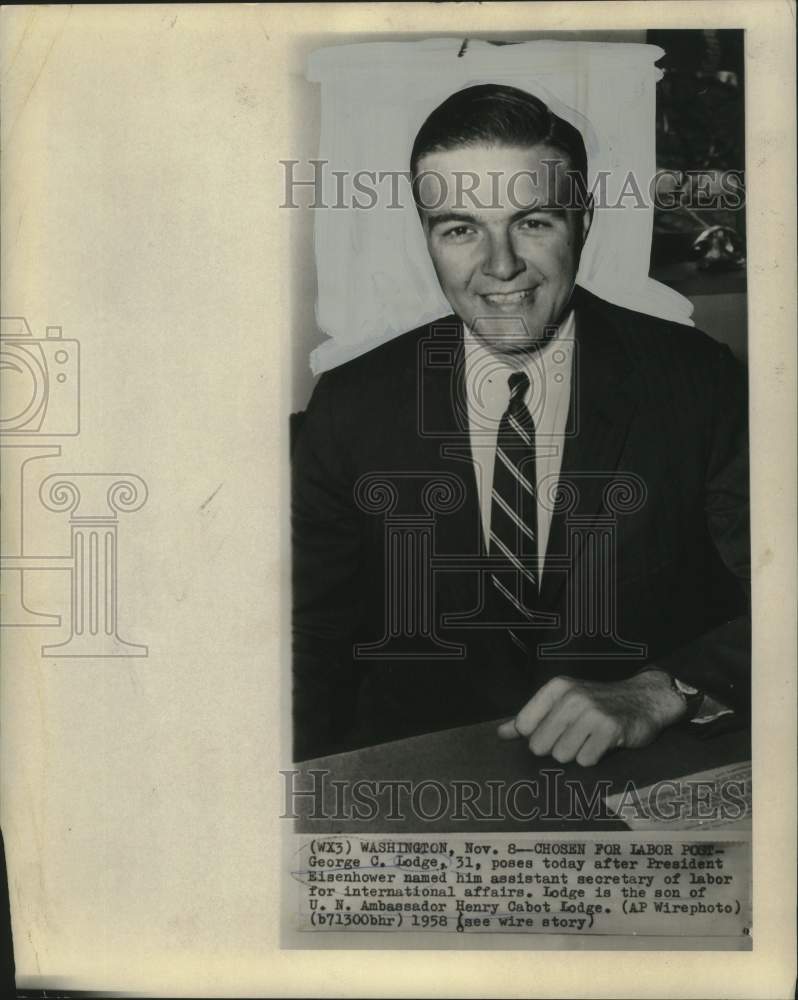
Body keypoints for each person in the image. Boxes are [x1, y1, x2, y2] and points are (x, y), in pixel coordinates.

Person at [291, 84, 749, 765]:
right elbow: (305, 646)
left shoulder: (700, 381)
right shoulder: (350, 405)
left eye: (532, 222)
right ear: (427, 237)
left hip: (632, 782)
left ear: (583, 220)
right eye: (460, 229)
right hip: (424, 784)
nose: (500, 266)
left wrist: (667, 688)